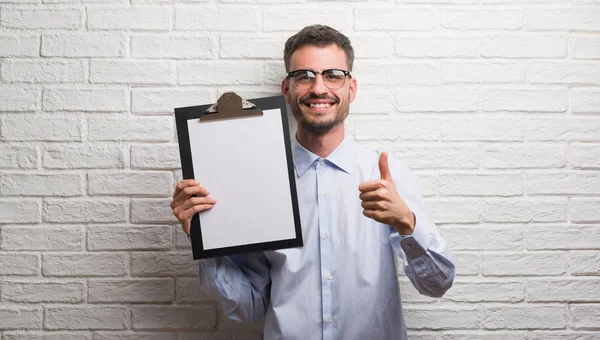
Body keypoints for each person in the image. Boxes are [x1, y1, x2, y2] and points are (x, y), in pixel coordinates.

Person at [170, 25, 455, 340]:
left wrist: (407, 222)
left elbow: (437, 283)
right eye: (304, 76)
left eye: (333, 75)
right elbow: (248, 307)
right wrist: (205, 239)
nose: (319, 88)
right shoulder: (257, 182)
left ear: (352, 88)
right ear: (287, 88)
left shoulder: (388, 176)